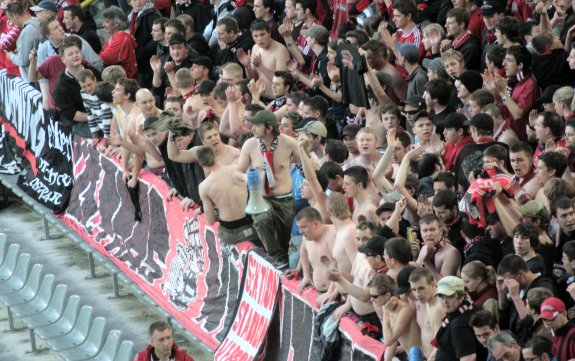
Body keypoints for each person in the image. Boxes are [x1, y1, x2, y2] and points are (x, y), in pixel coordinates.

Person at [237, 110, 300, 268]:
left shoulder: (289, 143)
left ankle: (286, 259)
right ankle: (277, 257)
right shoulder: (250, 144)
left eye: (257, 125)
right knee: (261, 220)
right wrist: (251, 180)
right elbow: (239, 172)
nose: (252, 128)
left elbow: (303, 165)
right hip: (261, 197)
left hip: (284, 198)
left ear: (269, 128)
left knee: (286, 236)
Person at [197, 146, 259, 246]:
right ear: (215, 156)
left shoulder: (204, 187)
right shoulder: (237, 169)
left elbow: (211, 220)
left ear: (201, 164)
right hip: (249, 227)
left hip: (229, 234)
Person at [369, 273, 421, 361]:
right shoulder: (387, 307)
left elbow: (388, 341)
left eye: (374, 296)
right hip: (410, 355)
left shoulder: (404, 310)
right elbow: (392, 342)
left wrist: (385, 313)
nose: (371, 299)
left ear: (387, 295)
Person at [435, 276, 481, 361]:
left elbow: (469, 357)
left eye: (450, 296)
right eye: (441, 296)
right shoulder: (468, 307)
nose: (445, 301)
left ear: (461, 296)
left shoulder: (459, 324)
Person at [296, 207, 336, 292]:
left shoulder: (332, 233)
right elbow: (303, 251)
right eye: (299, 227)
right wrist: (306, 275)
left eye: (303, 227)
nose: (300, 231)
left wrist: (330, 292)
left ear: (315, 225)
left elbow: (340, 265)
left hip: (336, 292)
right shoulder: (306, 237)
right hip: (318, 290)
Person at [409, 268, 444, 360]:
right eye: (414, 289)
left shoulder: (438, 307)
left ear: (432, 284)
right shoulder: (429, 301)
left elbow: (439, 345)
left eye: (421, 288)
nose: (418, 294)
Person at [416, 213, 461, 281]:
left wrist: (426, 261)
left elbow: (444, 286)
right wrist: (414, 254)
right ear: (421, 233)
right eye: (425, 230)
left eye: (432, 230)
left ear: (440, 231)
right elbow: (415, 276)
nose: (428, 234)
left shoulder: (451, 253)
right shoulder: (424, 248)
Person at [100, 6, 138, 79]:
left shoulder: (122, 37)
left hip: (127, 81)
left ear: (117, 23)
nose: (103, 25)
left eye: (107, 22)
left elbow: (105, 57)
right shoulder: (112, 38)